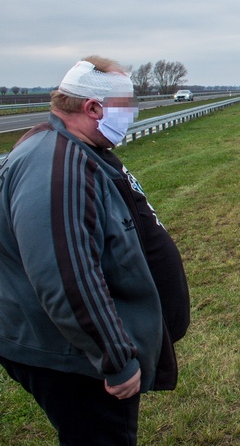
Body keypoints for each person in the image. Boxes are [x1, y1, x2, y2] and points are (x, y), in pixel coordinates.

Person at [0, 56, 190, 445]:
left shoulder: (78, 150)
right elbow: (67, 277)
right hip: (78, 359)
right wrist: (115, 359)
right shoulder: (58, 167)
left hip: (82, 351)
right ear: (93, 108)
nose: (133, 114)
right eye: (127, 106)